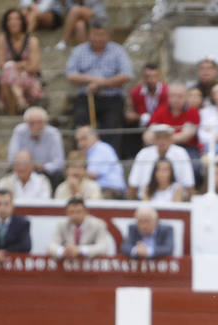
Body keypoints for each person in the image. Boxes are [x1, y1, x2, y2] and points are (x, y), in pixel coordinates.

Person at [65, 19, 132, 155]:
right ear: (89, 34)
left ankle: (109, 158)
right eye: (95, 34)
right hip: (86, 97)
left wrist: (102, 83)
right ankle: (82, 158)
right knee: (81, 124)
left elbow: (126, 75)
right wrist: (93, 80)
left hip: (112, 98)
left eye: (102, 35)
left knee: (111, 127)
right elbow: (71, 75)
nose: (98, 38)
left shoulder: (118, 51)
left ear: (108, 35)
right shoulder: (79, 51)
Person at [127, 124, 194, 201]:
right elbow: (133, 184)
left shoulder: (181, 153)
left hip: (175, 200)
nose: (162, 141)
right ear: (154, 139)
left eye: (165, 137)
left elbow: (189, 184)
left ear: (171, 139)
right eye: (158, 137)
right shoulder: (143, 154)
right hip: (145, 201)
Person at [0, 8, 42, 115]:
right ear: (6, 23)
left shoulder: (32, 41)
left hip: (29, 79)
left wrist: (13, 65)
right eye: (10, 19)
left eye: (17, 19)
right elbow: (0, 64)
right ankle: (20, 100)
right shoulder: (2, 39)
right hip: (9, 79)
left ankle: (15, 108)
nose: (13, 22)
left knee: (8, 73)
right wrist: (23, 64)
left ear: (22, 22)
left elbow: (34, 67)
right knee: (8, 73)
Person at [7, 106, 66, 186]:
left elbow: (59, 162)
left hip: (45, 171)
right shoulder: (19, 131)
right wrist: (27, 164)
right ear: (26, 123)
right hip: (23, 168)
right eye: (32, 123)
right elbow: (12, 158)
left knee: (58, 176)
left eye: (39, 122)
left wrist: (43, 167)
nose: (36, 127)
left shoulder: (54, 134)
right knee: (10, 172)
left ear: (45, 122)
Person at [143, 82, 200, 163]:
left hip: (187, 147)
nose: (175, 99)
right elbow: (148, 135)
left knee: (194, 165)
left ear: (186, 97)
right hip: (160, 147)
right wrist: (161, 141)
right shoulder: (160, 111)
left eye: (179, 96)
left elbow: (185, 136)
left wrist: (161, 139)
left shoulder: (193, 112)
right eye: (173, 95)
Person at [47, 197, 114, 258]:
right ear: (66, 213)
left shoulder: (98, 224)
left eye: (78, 212)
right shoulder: (62, 225)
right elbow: (51, 245)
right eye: (71, 212)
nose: (75, 215)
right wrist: (63, 251)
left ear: (86, 212)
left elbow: (103, 247)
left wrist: (80, 250)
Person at [75, 125, 126, 198]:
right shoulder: (91, 151)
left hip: (110, 190)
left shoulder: (100, 148)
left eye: (84, 139)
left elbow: (93, 174)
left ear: (95, 137)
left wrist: (75, 173)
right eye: (78, 140)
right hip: (102, 189)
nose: (80, 144)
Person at [126, 63, 168, 131]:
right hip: (141, 128)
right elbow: (130, 114)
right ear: (143, 77)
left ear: (159, 77)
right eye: (147, 76)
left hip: (162, 127)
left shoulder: (167, 91)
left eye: (154, 76)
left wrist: (143, 117)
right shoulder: (135, 92)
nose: (151, 79)